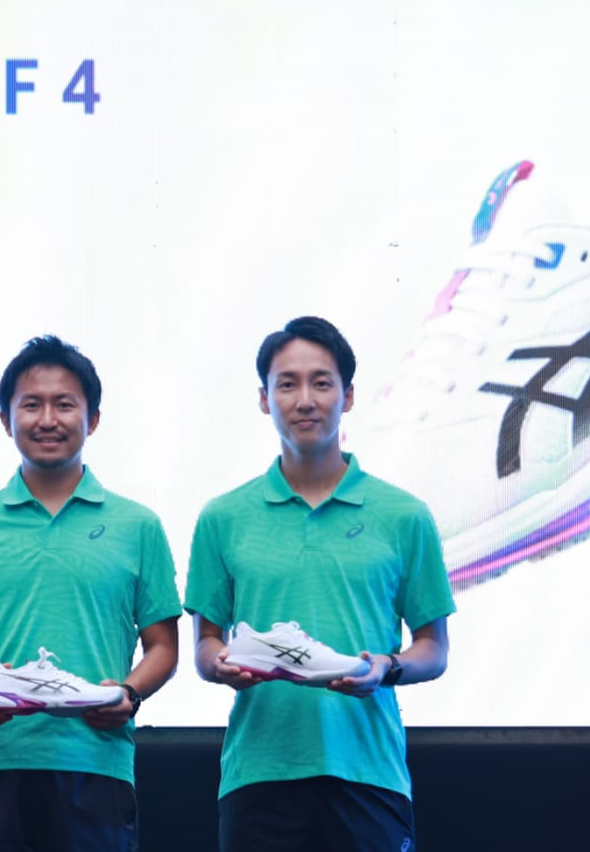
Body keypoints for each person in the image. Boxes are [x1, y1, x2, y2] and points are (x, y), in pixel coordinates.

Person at [186, 317, 456, 851]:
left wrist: (386, 667)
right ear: (264, 399)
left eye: (322, 383)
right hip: (259, 774)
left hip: (370, 772)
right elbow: (205, 644)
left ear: (348, 396)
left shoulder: (404, 514)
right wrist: (220, 665)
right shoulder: (223, 516)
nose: (305, 400)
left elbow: (434, 648)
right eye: (287, 384)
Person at [0, 335, 182, 852]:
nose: (48, 419)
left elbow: (164, 647)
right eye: (31, 405)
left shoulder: (138, 525)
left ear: (93, 419)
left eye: (64, 404)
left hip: (96, 764)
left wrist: (129, 693)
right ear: (6, 420)